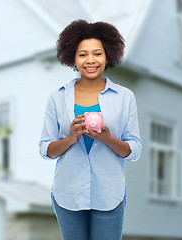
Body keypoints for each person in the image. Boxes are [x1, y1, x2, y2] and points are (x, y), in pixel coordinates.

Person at [39, 19, 142, 240]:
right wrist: (71, 137)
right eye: (82, 54)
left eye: (97, 53)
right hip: (68, 192)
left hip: (109, 193)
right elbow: (46, 149)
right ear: (73, 59)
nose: (90, 60)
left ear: (107, 56)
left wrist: (107, 139)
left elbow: (134, 150)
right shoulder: (57, 97)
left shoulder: (125, 97)